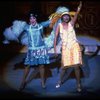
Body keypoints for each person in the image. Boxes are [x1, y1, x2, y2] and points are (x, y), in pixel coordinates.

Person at [54, 1, 83, 92]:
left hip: (74, 47)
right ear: (62, 17)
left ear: (69, 17)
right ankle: (59, 81)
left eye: (67, 16)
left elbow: (77, 14)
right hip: (65, 48)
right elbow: (55, 38)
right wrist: (55, 50)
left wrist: (79, 7)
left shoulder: (71, 24)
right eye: (64, 16)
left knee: (76, 67)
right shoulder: (59, 26)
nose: (66, 17)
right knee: (64, 67)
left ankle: (78, 84)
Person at [19, 13, 51, 91]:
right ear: (29, 20)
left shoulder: (41, 25)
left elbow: (50, 21)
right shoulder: (26, 27)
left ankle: (42, 82)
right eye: (31, 19)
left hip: (40, 49)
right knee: (27, 66)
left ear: (36, 19)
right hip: (32, 50)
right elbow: (18, 33)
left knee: (41, 66)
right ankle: (23, 82)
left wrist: (59, 14)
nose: (32, 20)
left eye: (34, 18)